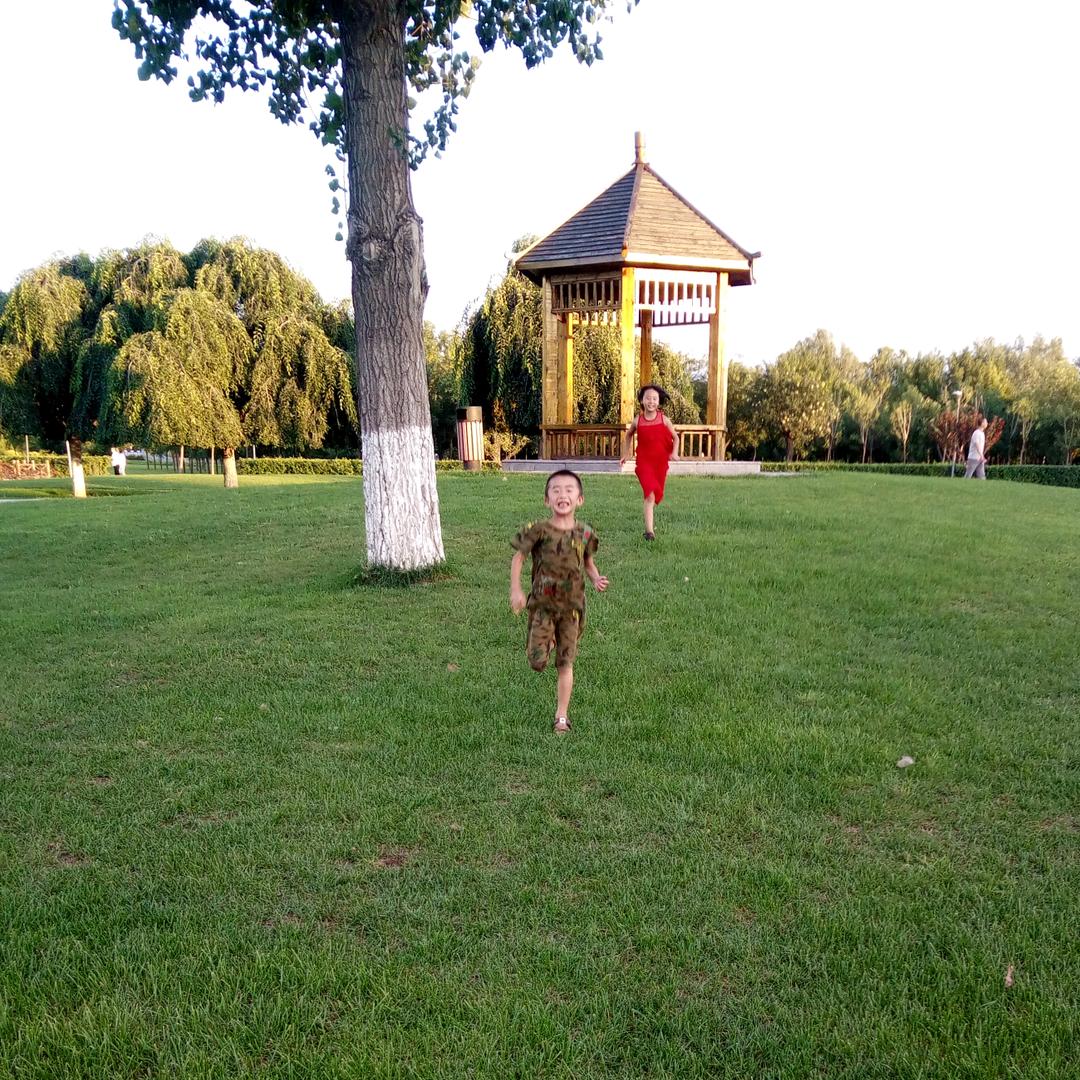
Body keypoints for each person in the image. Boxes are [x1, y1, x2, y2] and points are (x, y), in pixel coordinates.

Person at [510, 469, 608, 733]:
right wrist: (516, 590)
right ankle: (546, 639)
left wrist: (596, 578)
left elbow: (588, 563)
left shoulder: (585, 533)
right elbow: (518, 558)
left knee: (565, 663)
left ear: (580, 499)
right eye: (555, 490)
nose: (562, 494)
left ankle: (561, 717)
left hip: (572, 609)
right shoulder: (538, 531)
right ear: (547, 500)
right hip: (542, 606)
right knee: (537, 662)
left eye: (568, 490)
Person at [620, 383, 680, 539]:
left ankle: (649, 526)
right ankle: (649, 532)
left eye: (654, 399)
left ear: (658, 402)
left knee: (656, 493)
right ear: (642, 400)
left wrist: (674, 452)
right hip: (644, 463)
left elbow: (676, 437)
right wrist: (626, 454)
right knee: (649, 495)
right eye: (648, 398)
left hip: (660, 463)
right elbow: (628, 435)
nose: (651, 401)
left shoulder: (664, 420)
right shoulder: (637, 420)